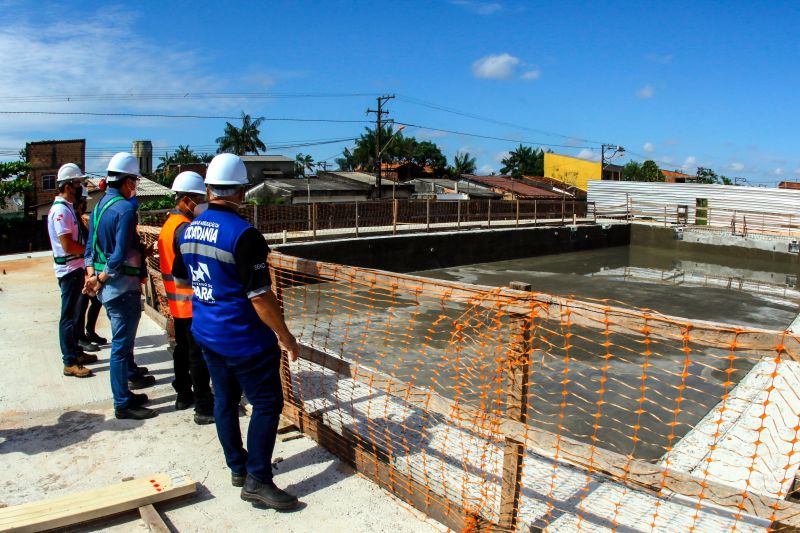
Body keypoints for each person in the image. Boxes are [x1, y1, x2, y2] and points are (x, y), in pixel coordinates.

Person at [173, 153, 300, 510]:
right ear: (241, 192)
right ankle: (258, 479)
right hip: (245, 339)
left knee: (224, 401)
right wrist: (286, 337)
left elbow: (183, 280)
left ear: (208, 189)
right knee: (266, 404)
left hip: (207, 332)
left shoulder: (187, 230)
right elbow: (260, 297)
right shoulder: (245, 235)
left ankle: (238, 468)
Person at [83, 152, 157, 420]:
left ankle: (125, 394)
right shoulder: (125, 209)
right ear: (127, 182)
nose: (135, 187)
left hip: (107, 288)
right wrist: (101, 278)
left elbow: (91, 247)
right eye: (134, 182)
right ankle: (122, 402)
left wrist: (92, 275)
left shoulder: (100, 206)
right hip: (121, 288)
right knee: (121, 349)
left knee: (121, 345)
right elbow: (119, 254)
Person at [157, 171, 214, 425]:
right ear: (187, 199)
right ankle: (203, 406)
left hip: (176, 302)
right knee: (197, 355)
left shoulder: (169, 224)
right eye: (199, 198)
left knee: (181, 349)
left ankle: (183, 393)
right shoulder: (184, 229)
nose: (202, 203)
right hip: (190, 301)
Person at [47, 163, 97, 378]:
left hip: (74, 266)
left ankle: (76, 352)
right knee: (68, 317)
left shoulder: (67, 208)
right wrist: (89, 251)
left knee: (76, 314)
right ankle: (69, 361)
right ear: (67, 186)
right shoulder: (60, 211)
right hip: (69, 268)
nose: (80, 188)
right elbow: (67, 245)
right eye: (78, 184)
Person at [74, 188, 107, 351]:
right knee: (81, 304)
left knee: (95, 301)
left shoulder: (79, 219)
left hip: (85, 267)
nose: (85, 205)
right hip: (80, 267)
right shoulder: (74, 219)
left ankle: (89, 331)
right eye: (84, 202)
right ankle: (80, 337)